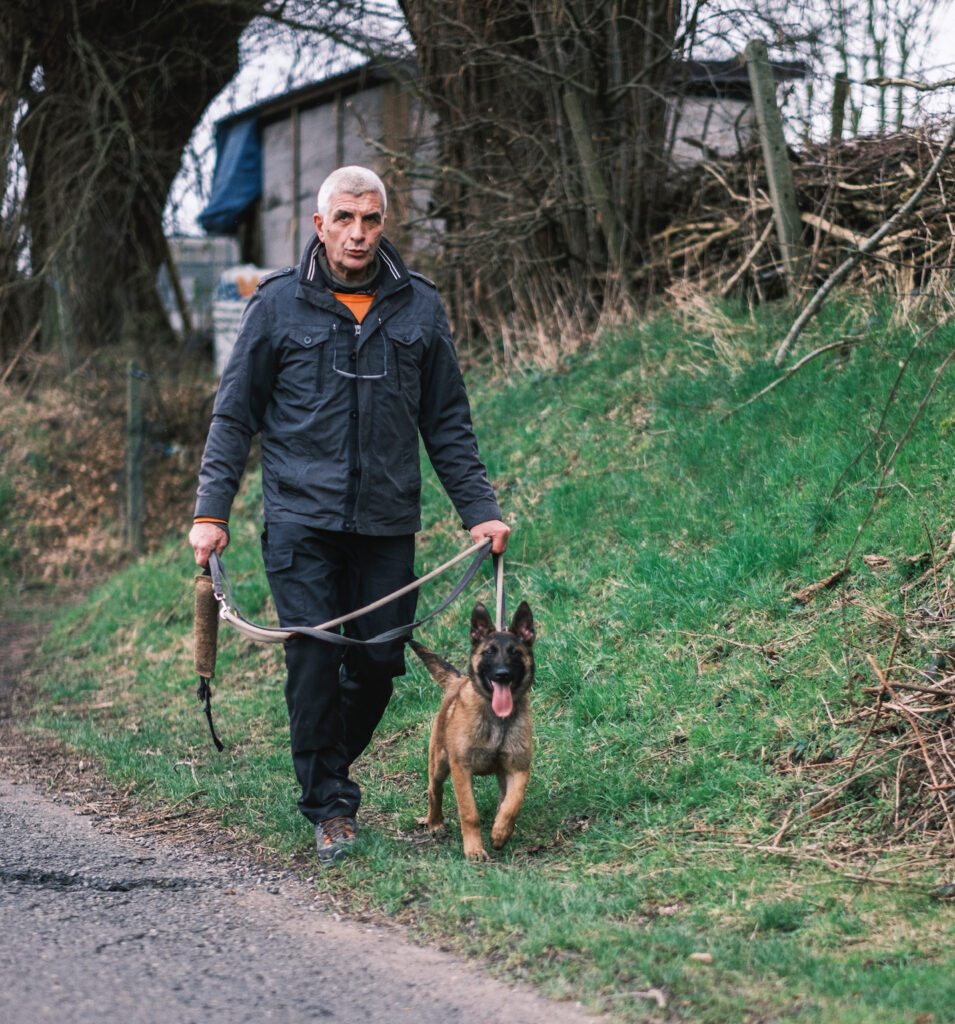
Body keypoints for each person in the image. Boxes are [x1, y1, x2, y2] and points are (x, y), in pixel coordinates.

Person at [188, 166, 509, 864]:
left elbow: (446, 421)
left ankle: (323, 755)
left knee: (377, 664)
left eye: (369, 220)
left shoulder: (418, 307)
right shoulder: (276, 305)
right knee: (312, 660)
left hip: (386, 523)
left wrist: (478, 511)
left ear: (382, 224)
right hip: (302, 522)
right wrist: (211, 512)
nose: (357, 233)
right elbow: (234, 414)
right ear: (319, 225)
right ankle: (330, 804)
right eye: (344, 219)